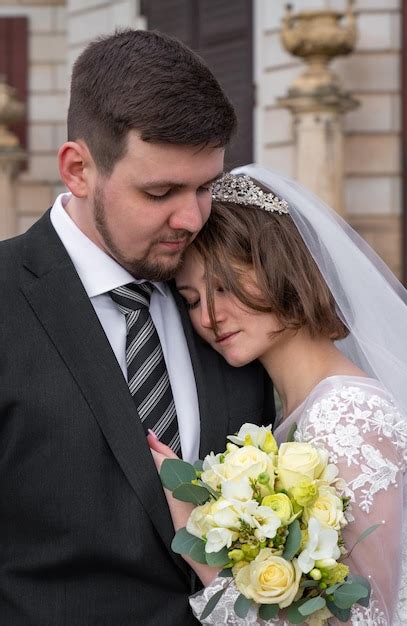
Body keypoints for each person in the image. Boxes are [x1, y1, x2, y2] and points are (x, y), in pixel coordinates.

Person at [0, 32, 275, 625]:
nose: (192, 217)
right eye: (160, 192)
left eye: (206, 186)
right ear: (78, 169)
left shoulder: (233, 298)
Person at [149, 165, 407, 625]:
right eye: (192, 299)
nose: (210, 315)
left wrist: (196, 538)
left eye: (224, 285)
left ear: (281, 267)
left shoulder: (348, 415)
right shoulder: (294, 408)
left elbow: (367, 618)